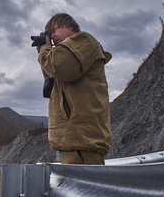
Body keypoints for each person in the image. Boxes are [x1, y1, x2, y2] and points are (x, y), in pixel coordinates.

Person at [36, 13, 112, 165]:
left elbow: (60, 67)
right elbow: (52, 79)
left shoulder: (84, 40)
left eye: (54, 30)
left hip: (83, 143)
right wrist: (44, 53)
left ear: (70, 27)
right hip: (73, 143)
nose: (52, 36)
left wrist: (46, 50)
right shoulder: (67, 54)